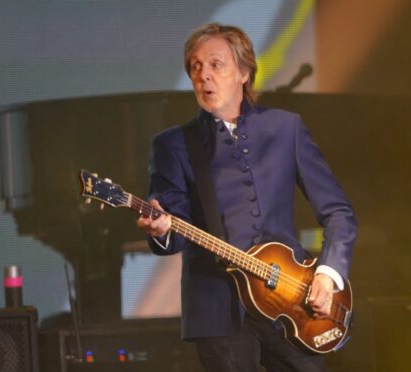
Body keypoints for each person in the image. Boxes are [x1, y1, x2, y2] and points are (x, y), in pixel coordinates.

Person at [137, 23, 357, 372]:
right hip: (219, 311)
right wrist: (161, 230)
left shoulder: (286, 128)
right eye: (195, 67)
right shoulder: (174, 144)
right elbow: (173, 229)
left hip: (293, 300)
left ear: (243, 72)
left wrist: (327, 276)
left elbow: (338, 213)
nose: (203, 76)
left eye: (215, 65)